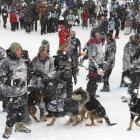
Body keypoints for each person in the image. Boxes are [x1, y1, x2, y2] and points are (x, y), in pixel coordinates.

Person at [0, 42, 31, 139]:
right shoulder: (5, 62)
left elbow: (25, 71)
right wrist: (14, 82)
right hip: (11, 94)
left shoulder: (22, 59)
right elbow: (2, 78)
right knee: (12, 113)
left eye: (20, 49)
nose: (20, 51)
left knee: (21, 110)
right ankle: (7, 131)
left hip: (22, 91)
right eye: (18, 50)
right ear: (13, 51)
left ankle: (19, 126)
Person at [29, 45, 54, 121]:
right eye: (41, 52)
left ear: (47, 52)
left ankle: (49, 110)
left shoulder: (51, 60)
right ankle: (42, 111)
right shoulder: (34, 60)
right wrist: (36, 79)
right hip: (37, 82)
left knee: (49, 96)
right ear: (39, 52)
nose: (42, 54)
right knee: (39, 96)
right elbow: (31, 72)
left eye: (44, 52)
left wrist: (48, 79)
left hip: (47, 81)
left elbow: (52, 72)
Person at [85, 31, 104, 97]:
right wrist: (97, 67)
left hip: (99, 63)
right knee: (92, 80)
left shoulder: (99, 43)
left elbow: (100, 54)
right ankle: (89, 94)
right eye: (97, 35)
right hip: (93, 66)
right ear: (94, 36)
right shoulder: (93, 44)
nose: (99, 36)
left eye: (99, 35)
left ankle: (92, 93)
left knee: (95, 80)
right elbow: (91, 57)